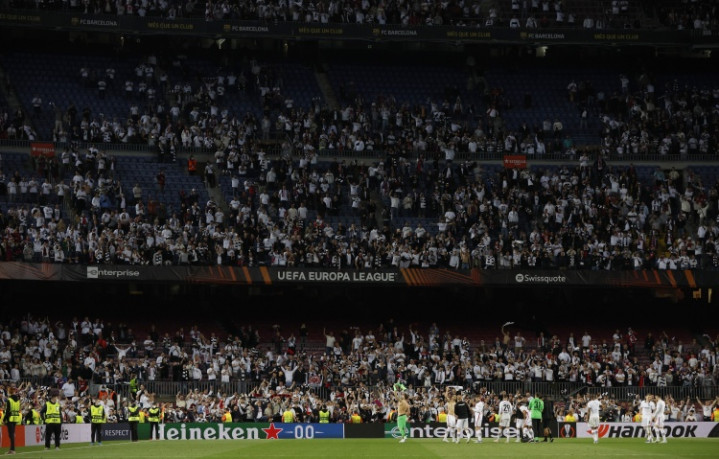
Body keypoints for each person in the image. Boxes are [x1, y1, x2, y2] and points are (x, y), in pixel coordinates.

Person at [3, 385, 22, 454]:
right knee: (12, 434)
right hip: (15, 418)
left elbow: (8, 411)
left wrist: (4, 419)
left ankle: (12, 449)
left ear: (10, 392)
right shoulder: (18, 400)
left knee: (11, 434)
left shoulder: (9, 400)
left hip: (10, 419)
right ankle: (12, 449)